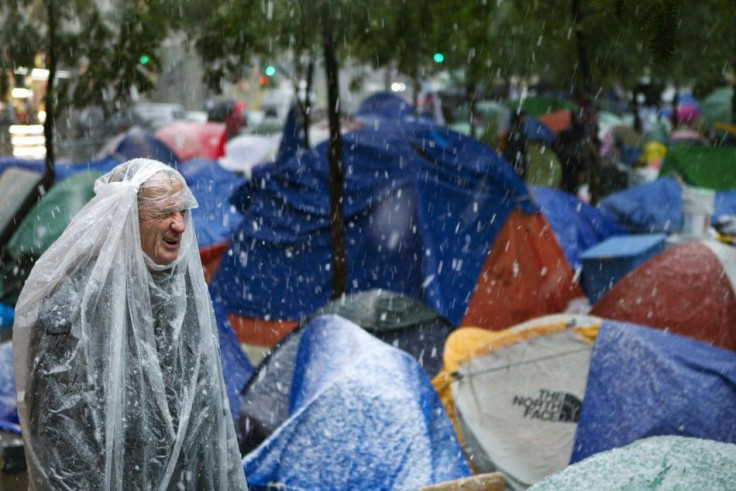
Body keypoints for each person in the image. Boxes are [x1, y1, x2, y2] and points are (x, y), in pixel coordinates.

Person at [13, 159, 247, 490]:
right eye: (165, 212)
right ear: (126, 218)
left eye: (183, 211)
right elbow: (57, 429)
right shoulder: (76, 299)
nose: (179, 224)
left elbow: (205, 410)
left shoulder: (184, 292)